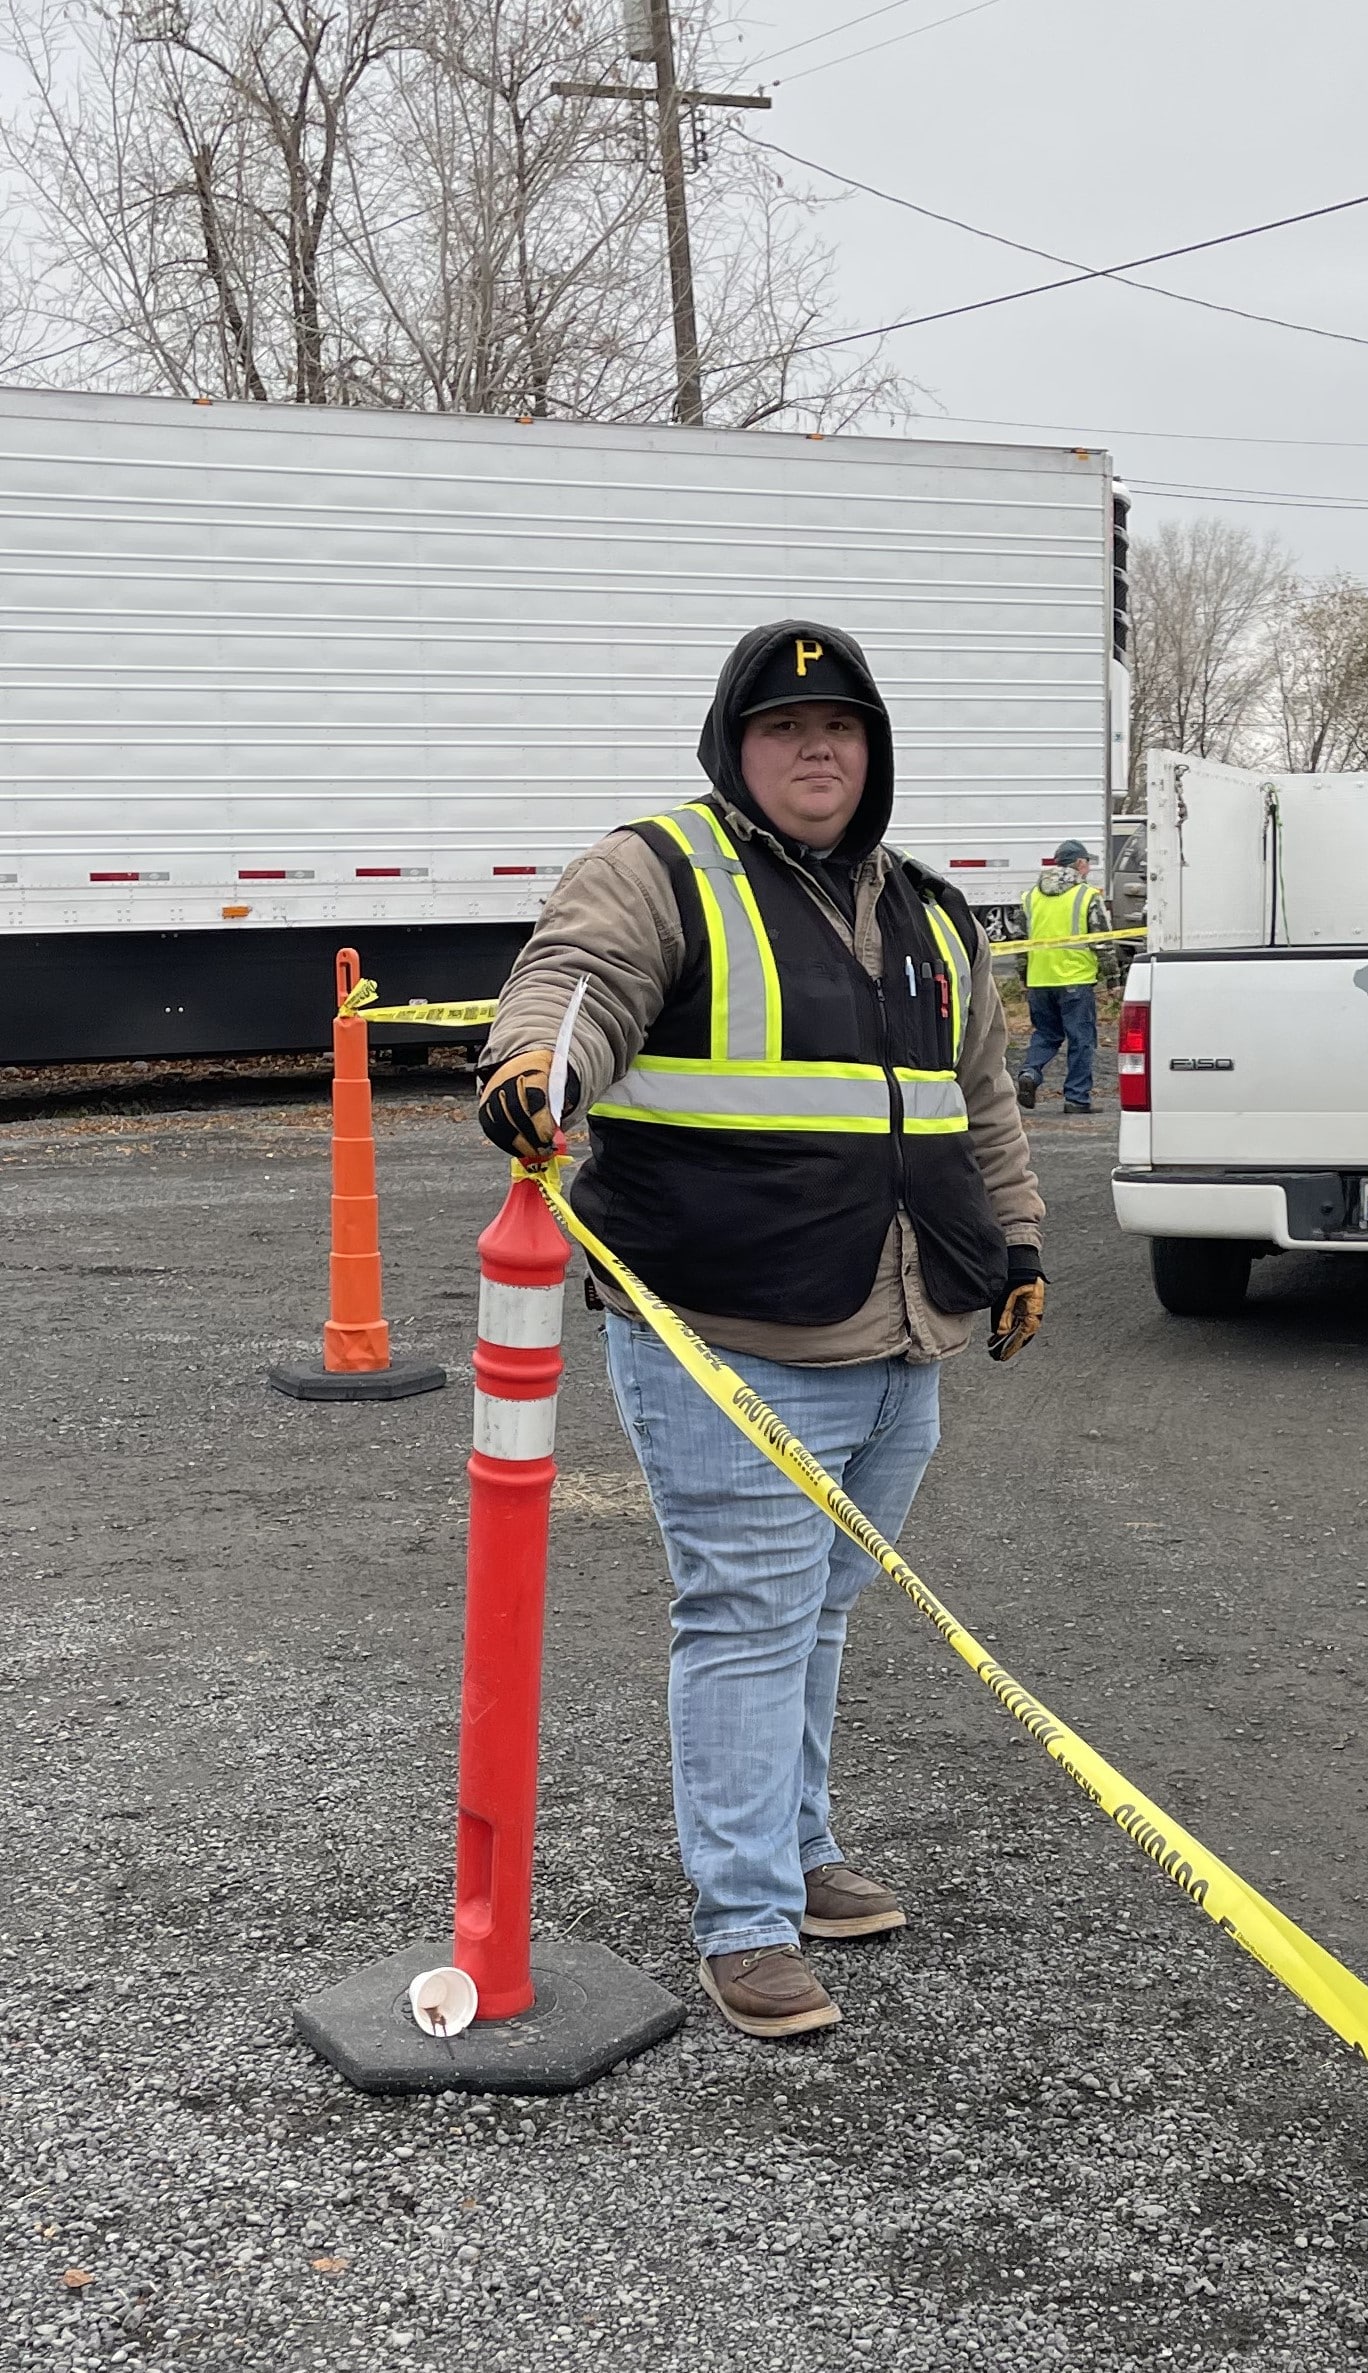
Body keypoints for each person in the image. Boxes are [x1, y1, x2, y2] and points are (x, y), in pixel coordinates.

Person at [474, 621, 1047, 2042]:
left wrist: (1019, 1242)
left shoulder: (928, 909)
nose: (815, 750)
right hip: (725, 1332)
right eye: (785, 728)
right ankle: (745, 1921)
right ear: (736, 745)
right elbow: (574, 985)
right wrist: (534, 1065)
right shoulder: (659, 871)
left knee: (823, 1608)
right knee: (744, 1615)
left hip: (904, 1327)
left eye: (840, 729)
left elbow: (982, 1101)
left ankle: (795, 1850)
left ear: (875, 752)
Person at [1016, 838, 1114, 1116]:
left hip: (1039, 980)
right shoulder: (1086, 895)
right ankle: (1077, 1098)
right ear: (1079, 863)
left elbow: (1021, 944)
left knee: (1046, 1034)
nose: (1089, 868)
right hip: (1075, 979)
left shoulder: (1030, 897)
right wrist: (1114, 980)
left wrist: (1025, 977)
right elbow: (1103, 941)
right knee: (1081, 1040)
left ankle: (1030, 1072)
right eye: (1088, 863)